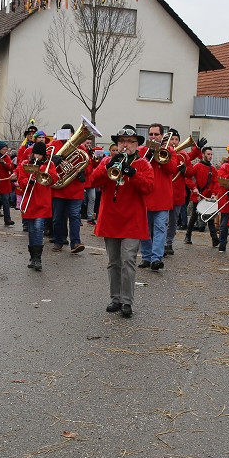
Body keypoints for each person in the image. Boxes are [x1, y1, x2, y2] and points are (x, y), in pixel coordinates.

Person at [87, 125, 153, 318]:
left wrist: (131, 173)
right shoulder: (108, 160)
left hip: (133, 221)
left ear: (136, 145)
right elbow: (92, 181)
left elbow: (148, 187)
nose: (126, 145)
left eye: (130, 142)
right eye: (122, 141)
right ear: (117, 144)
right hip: (111, 219)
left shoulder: (143, 164)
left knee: (129, 261)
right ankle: (115, 298)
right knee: (113, 262)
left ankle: (127, 302)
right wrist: (108, 166)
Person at [139, 123, 178, 271]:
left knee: (160, 228)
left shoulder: (169, 151)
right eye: (151, 134)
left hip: (162, 197)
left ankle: (156, 258)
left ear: (162, 136)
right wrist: (148, 155)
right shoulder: (143, 150)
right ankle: (146, 257)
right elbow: (138, 168)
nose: (153, 137)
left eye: (156, 134)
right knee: (145, 229)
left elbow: (172, 169)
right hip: (146, 195)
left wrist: (160, 156)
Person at [18, 141, 58, 271]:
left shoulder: (49, 164)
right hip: (29, 202)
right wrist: (29, 180)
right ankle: (33, 257)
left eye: (40, 155)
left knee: (38, 228)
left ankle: (38, 259)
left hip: (42, 202)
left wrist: (43, 171)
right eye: (36, 154)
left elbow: (55, 179)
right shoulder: (25, 164)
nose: (38, 157)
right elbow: (21, 181)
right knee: (31, 231)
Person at [50, 124, 88, 254]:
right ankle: (58, 241)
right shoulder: (53, 145)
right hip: (59, 189)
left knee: (74, 216)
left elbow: (88, 166)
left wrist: (82, 173)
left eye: (71, 133)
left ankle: (76, 243)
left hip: (75, 190)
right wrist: (53, 161)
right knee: (57, 217)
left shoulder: (81, 147)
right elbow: (45, 164)